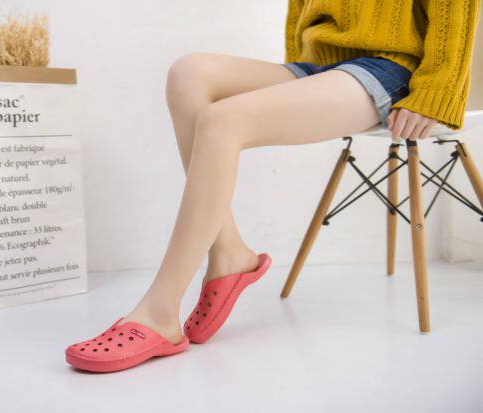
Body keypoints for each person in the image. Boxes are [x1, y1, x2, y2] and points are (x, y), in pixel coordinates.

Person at [66, 0, 480, 372]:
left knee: (222, 120)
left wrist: (437, 92)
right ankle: (229, 252)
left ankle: (159, 312)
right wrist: (302, 73)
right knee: (188, 72)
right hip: (321, 66)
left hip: (391, 69)